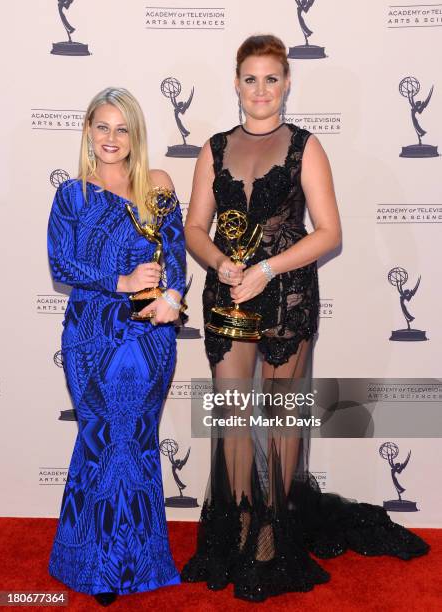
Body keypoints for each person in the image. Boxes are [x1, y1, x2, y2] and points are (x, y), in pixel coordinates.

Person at [181, 35, 429, 602]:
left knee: (283, 418)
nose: (261, 90)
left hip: (287, 296)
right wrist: (219, 262)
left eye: (272, 78)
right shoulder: (213, 148)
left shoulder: (305, 147)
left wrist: (266, 269)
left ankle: (273, 536)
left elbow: (329, 232)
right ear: (236, 82)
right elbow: (196, 226)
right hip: (227, 300)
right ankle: (238, 527)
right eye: (250, 78)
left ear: (287, 83)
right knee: (234, 417)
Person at [47, 87, 186, 606]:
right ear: (88, 131)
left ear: (135, 135)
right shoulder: (72, 195)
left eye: (121, 128)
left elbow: (175, 253)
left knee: (138, 443)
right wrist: (121, 279)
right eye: (102, 127)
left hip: (149, 337)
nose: (111, 138)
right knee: (102, 441)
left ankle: (142, 564)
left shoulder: (158, 185)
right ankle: (93, 565)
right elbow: (63, 264)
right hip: (91, 335)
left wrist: (173, 294)